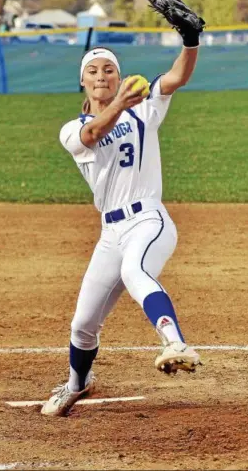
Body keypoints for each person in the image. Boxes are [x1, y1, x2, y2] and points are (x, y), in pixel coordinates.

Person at [42, 30, 202, 417]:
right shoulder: (72, 128)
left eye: (109, 70)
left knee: (135, 269)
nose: (101, 76)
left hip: (148, 218)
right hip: (110, 232)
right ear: (83, 80)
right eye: (93, 70)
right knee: (82, 324)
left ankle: (176, 343)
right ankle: (77, 384)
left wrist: (191, 41)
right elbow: (94, 132)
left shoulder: (144, 109)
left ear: (120, 76)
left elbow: (177, 77)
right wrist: (118, 103)